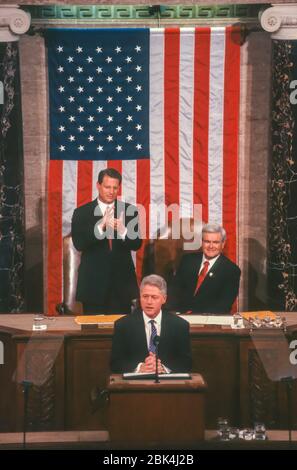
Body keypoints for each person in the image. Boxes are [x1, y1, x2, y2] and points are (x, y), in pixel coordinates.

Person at [71, 168, 142, 314]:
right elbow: (79, 244)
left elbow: (136, 245)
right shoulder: (82, 212)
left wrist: (123, 230)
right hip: (93, 286)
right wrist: (101, 226)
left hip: (122, 285)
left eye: (115, 188)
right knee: (92, 334)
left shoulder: (129, 211)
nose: (111, 191)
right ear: (98, 186)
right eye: (107, 187)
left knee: (122, 334)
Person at [110, 275, 192, 374]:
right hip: (135, 385)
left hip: (167, 385)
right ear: (140, 297)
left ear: (164, 299)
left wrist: (163, 368)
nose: (149, 302)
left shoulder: (180, 325)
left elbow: (186, 363)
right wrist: (140, 368)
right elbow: (115, 363)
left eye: (154, 297)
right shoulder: (123, 325)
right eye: (145, 296)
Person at [173, 223, 241, 314]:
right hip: (181, 317)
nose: (211, 246)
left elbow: (224, 305)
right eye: (207, 241)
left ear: (223, 244)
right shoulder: (187, 261)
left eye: (216, 242)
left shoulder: (231, 270)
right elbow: (175, 291)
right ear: (202, 242)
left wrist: (194, 316)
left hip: (210, 321)